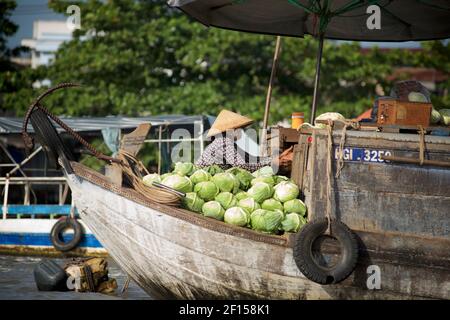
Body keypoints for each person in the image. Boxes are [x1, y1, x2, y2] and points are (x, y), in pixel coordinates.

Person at [196, 110, 293, 172]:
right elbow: (242, 166)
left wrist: (276, 158)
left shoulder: (228, 143)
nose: (241, 131)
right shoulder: (222, 142)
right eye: (238, 129)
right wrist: (272, 162)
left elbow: (250, 158)